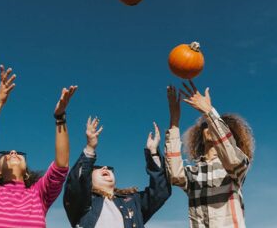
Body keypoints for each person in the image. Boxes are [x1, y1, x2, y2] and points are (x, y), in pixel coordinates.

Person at [0, 64, 77, 228]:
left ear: (27, 173)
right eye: (5, 153)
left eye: (18, 153)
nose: (13, 152)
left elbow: (61, 166)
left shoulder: (38, 194)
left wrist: (60, 116)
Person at [165, 81, 255, 228]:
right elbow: (174, 175)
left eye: (217, 126)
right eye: (206, 125)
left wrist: (209, 112)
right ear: (200, 134)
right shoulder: (193, 173)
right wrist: (174, 122)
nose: (210, 127)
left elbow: (230, 155)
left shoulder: (236, 169)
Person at [63, 116, 171, 228]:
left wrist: (153, 152)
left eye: (109, 169)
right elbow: (75, 184)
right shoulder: (83, 202)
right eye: (97, 168)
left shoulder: (133, 202)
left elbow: (160, 191)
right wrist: (90, 148)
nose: (105, 167)